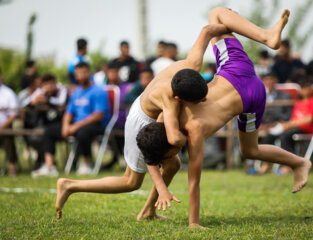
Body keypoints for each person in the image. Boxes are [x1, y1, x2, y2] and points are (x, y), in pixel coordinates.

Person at [137, 8, 311, 228]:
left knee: (251, 151)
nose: (168, 161)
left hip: (253, 98)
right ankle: (264, 36)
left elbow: (194, 182)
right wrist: (230, 25)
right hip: (236, 71)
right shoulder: (169, 110)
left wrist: (194, 223)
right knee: (217, 14)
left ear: (170, 148)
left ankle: (300, 163)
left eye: (166, 158)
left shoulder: (194, 130)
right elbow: (154, 149)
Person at [55, 23, 227, 220]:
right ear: (180, 99)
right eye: (197, 102)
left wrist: (221, 25)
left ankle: (147, 212)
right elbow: (164, 143)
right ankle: (70, 185)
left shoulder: (188, 68)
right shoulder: (170, 103)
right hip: (141, 122)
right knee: (131, 182)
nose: (202, 103)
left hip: (146, 107)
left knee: (172, 165)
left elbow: (206, 31)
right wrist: (194, 132)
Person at [33, 62, 110, 177]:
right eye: (78, 74)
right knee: (49, 131)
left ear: (89, 73)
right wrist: (65, 125)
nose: (81, 76)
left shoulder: (98, 91)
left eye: (83, 73)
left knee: (82, 133)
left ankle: (86, 164)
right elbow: (69, 113)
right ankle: (50, 167)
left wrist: (75, 126)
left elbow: (98, 115)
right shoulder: (76, 92)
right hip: (77, 125)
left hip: (97, 125)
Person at [251, 72, 292, 174]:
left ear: (276, 80)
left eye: (272, 79)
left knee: (281, 137)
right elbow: (255, 113)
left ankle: (285, 165)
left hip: (281, 125)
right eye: (267, 79)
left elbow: (287, 115)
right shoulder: (258, 95)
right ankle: (265, 165)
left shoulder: (285, 96)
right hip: (264, 126)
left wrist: (275, 122)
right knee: (264, 138)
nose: (269, 82)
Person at [101, 62, 133, 170]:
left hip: (124, 122)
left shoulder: (128, 87)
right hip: (107, 122)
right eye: (111, 72)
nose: (113, 75)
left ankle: (122, 160)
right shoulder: (103, 89)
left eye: (115, 72)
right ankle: (117, 159)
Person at [0, 67, 19, 176]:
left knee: (7, 135)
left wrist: (1, 127)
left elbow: (14, 115)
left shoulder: (8, 93)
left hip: (4, 127)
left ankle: (12, 166)